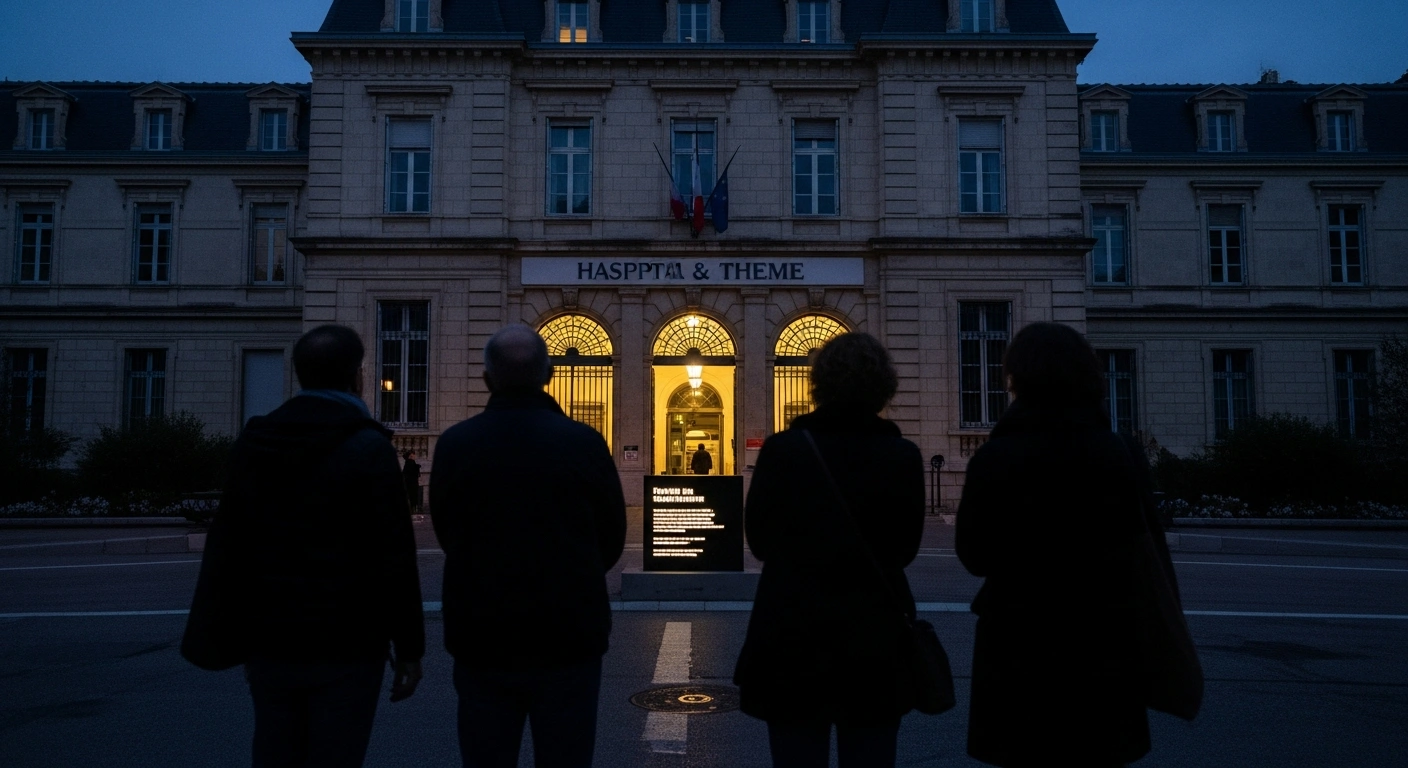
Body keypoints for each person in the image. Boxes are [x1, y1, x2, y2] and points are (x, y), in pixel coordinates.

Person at [182, 324, 425, 768]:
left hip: (271, 638)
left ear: (298, 375)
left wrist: (220, 632)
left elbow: (228, 543)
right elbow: (395, 559)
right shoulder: (370, 448)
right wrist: (410, 648)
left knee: (275, 752)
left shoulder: (256, 441)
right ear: (357, 377)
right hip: (349, 643)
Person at [955, 322, 1175, 768]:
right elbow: (1150, 550)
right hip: (1104, 641)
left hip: (1018, 642)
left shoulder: (996, 456)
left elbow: (973, 556)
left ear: (1016, 377)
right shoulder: (1119, 452)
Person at [430, 324, 626, 768]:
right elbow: (611, 538)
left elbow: (448, 533)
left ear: (485, 379)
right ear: (550, 375)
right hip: (569, 636)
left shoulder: (457, 444)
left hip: (483, 636)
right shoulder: (585, 443)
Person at [734, 332, 926, 768]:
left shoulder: (783, 450)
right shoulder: (902, 456)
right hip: (874, 638)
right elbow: (905, 549)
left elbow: (760, 542)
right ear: (884, 387)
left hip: (792, 635)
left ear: (818, 384)